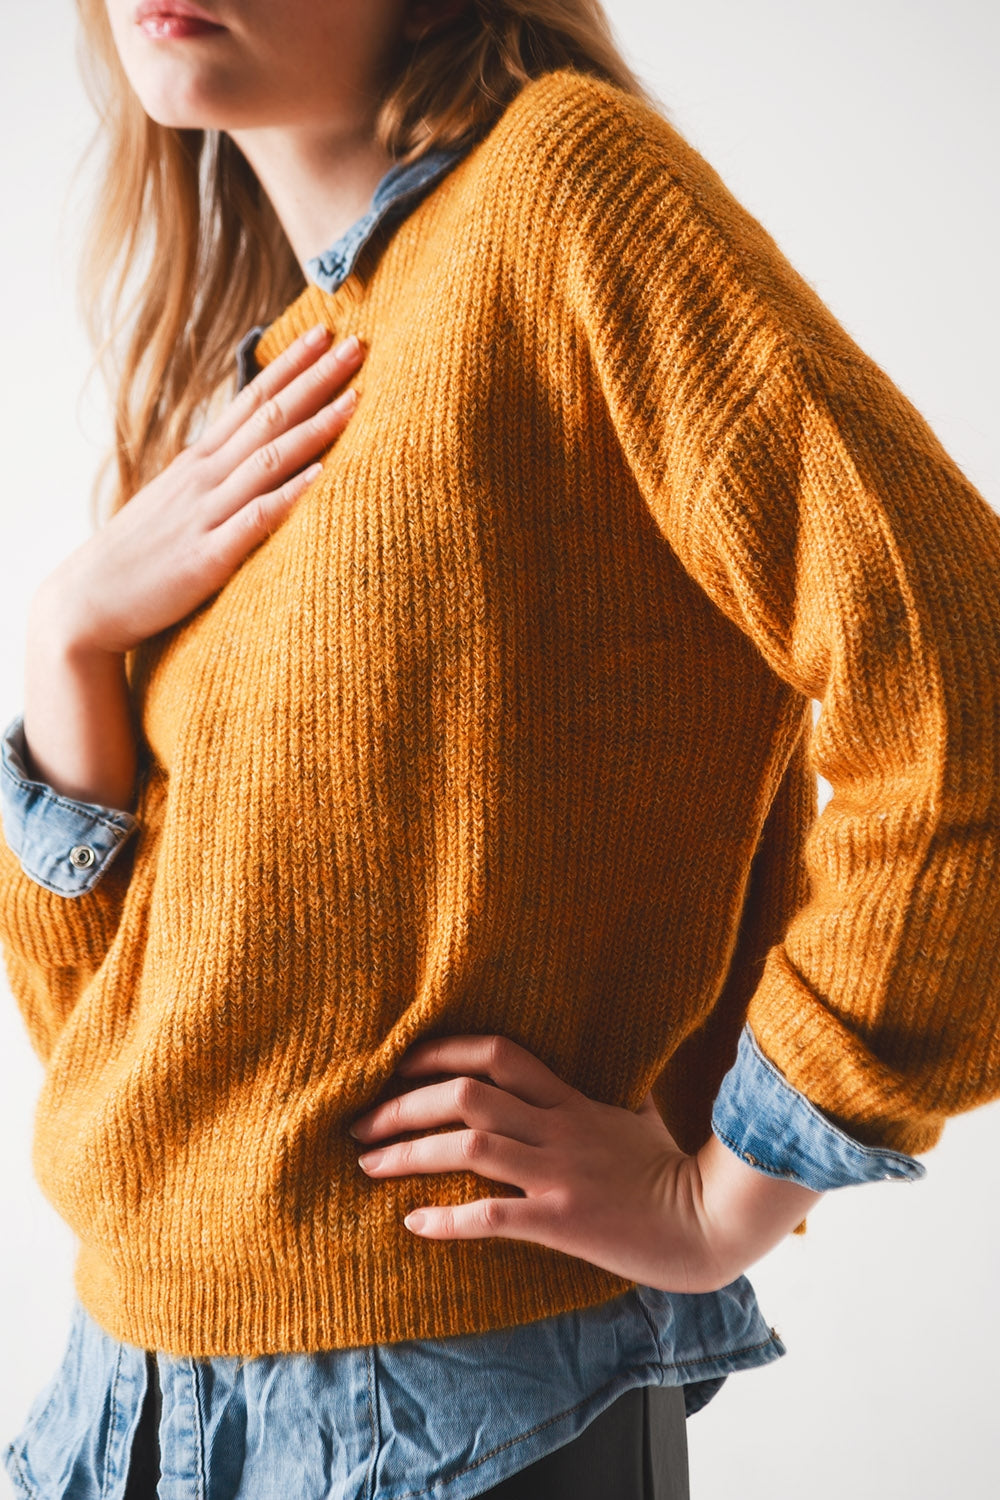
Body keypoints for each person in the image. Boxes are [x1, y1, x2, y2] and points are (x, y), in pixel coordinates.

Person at [1, 1, 997, 1497]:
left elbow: (961, 682)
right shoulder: (264, 375)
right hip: (136, 1410)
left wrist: (721, 1195)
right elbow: (121, 1051)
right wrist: (71, 638)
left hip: (458, 1428)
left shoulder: (562, 189)